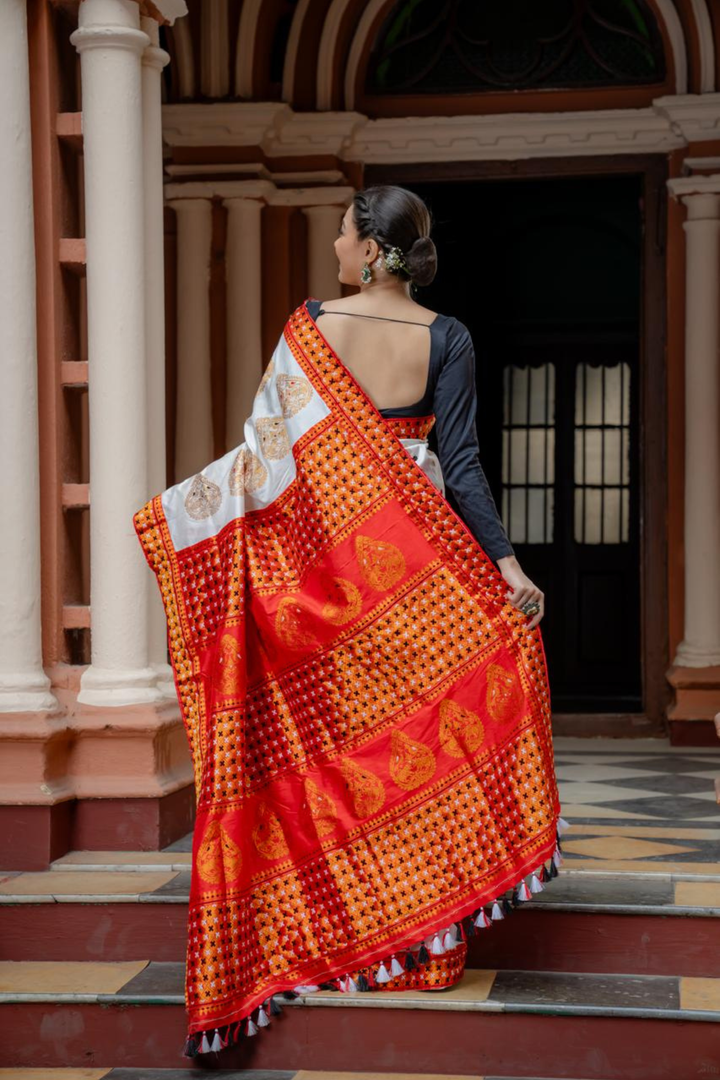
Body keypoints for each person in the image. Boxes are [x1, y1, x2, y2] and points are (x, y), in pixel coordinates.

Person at [134, 184, 562, 1059]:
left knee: (343, 761)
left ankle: (342, 934)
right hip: (420, 572)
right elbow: (462, 465)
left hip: (329, 576)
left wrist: (184, 516)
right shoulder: (447, 336)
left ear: (370, 249)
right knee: (421, 758)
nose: (332, 246)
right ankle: (423, 948)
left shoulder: (310, 333)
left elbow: (265, 466)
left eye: (340, 233)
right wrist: (507, 566)